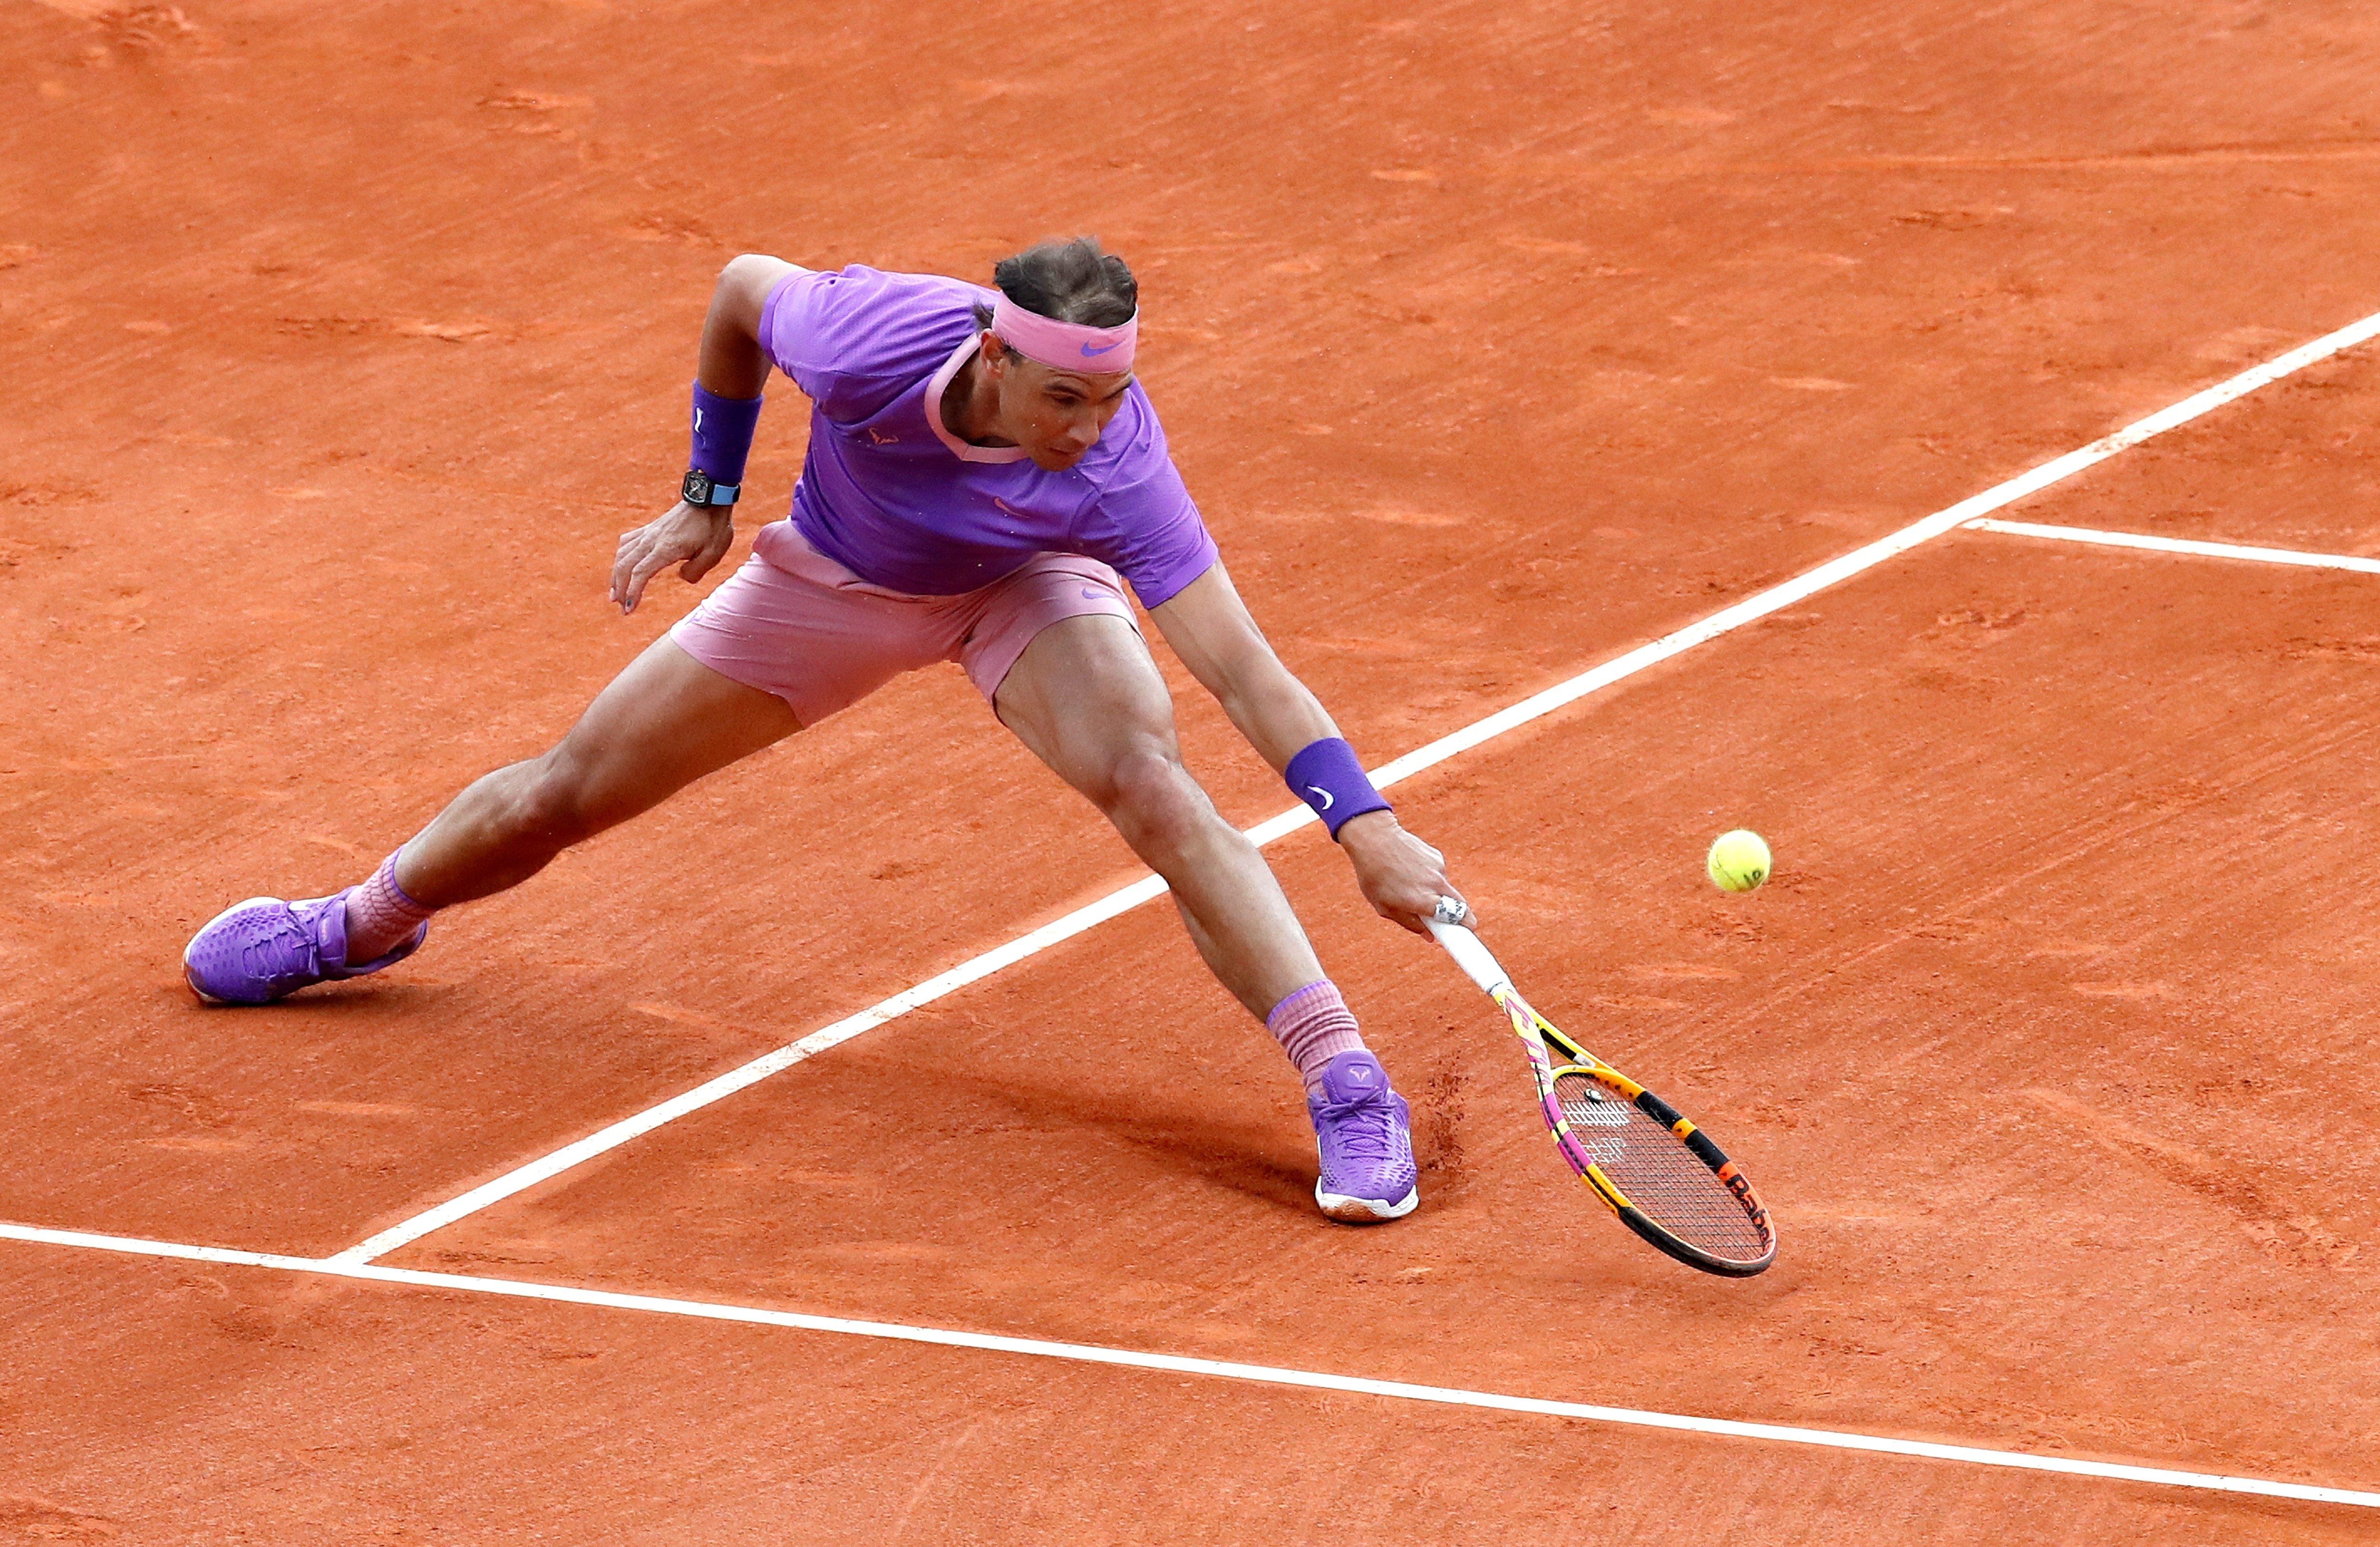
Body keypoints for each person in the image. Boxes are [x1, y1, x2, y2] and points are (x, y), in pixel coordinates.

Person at [182, 237, 1470, 1223]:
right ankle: (353, 925)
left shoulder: (1117, 466)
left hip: (1030, 588)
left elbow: (1242, 669)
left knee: (1154, 781)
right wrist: (706, 494)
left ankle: (1348, 1082)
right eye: (1066, 403)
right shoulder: (871, 335)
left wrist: (1369, 825)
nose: (1092, 429)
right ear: (992, 352)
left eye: (1113, 397)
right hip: (837, 585)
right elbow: (742, 289)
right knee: (563, 795)